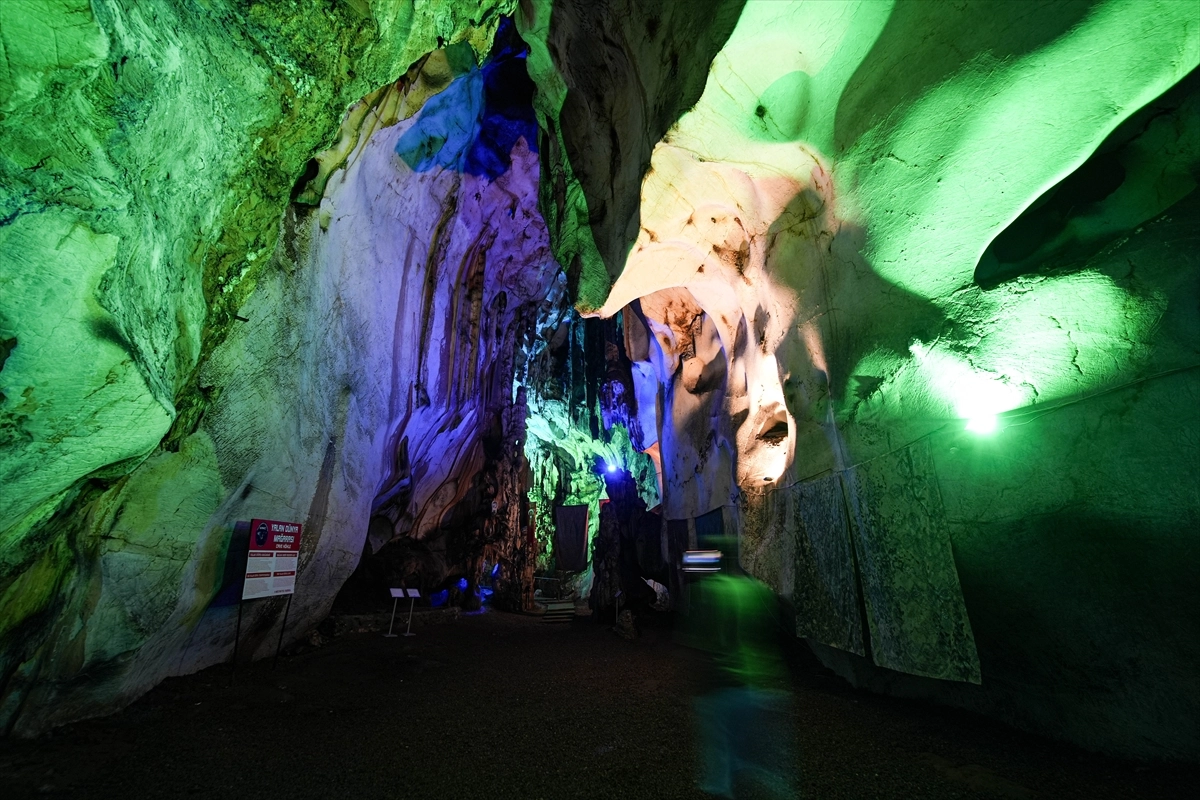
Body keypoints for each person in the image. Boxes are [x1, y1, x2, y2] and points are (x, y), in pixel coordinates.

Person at [684, 537, 796, 798]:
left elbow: (700, 645)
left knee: (720, 773)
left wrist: (696, 684)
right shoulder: (757, 589)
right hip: (763, 684)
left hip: (722, 688)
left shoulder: (707, 592)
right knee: (767, 770)